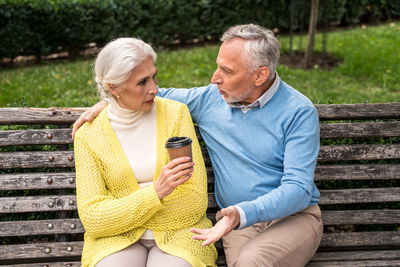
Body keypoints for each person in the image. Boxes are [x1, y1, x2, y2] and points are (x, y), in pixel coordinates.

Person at [73, 24, 323, 267]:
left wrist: (241, 213)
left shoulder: (298, 112)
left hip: (290, 218)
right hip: (234, 223)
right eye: (217, 67)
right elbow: (149, 95)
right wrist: (108, 101)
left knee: (251, 262)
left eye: (227, 71)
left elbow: (298, 189)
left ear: (260, 75)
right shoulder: (211, 99)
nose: (215, 79)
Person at [74, 37, 217, 267]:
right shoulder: (89, 134)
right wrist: (156, 193)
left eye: (154, 76)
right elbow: (94, 218)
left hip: (180, 236)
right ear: (114, 87)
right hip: (115, 241)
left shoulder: (176, 114)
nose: (155, 88)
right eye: (142, 82)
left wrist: (122, 213)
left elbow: (194, 201)